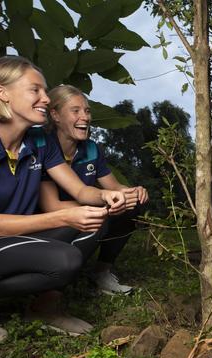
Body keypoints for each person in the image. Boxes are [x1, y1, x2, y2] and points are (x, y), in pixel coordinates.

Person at [0, 56, 125, 345]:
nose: (46, 98)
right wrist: (64, 217)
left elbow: (81, 192)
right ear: (1, 92)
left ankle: (43, 308)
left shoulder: (40, 141)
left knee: (95, 222)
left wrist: (105, 195)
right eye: (36, 90)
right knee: (65, 259)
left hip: (11, 239)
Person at [40, 85, 149, 295]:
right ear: (55, 115)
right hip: (49, 218)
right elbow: (50, 206)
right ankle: (54, 283)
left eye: (87, 111)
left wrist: (132, 193)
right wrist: (105, 205)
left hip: (86, 206)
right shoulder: (43, 146)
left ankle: (101, 273)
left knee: (131, 205)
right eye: (75, 111)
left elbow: (114, 187)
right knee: (101, 215)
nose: (85, 117)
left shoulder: (91, 148)